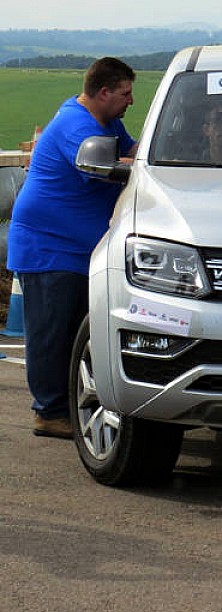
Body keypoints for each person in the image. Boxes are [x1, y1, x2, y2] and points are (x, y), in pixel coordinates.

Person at [8, 57, 138, 439]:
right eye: (125, 93)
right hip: (49, 248)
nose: (130, 100)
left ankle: (70, 404)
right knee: (52, 336)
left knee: (78, 334)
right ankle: (48, 412)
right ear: (103, 92)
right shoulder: (76, 126)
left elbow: (134, 150)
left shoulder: (107, 121)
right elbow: (113, 164)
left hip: (81, 251)